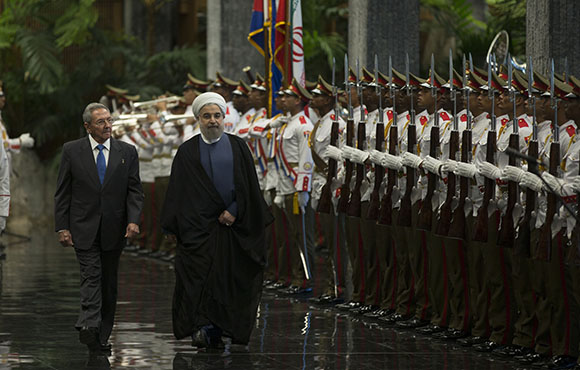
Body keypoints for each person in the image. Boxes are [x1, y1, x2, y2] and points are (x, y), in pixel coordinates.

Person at [161, 92, 272, 349]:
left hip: (232, 227)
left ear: (224, 118)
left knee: (229, 278)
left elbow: (248, 187)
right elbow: (177, 191)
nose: (213, 121)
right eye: (207, 116)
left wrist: (234, 210)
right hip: (198, 229)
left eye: (217, 116)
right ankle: (203, 326)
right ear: (198, 119)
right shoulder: (187, 151)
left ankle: (225, 326)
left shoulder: (238, 146)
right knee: (198, 278)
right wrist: (171, 225)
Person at [54, 102, 144, 352]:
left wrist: (134, 220)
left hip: (114, 229)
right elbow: (63, 192)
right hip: (83, 226)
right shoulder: (72, 151)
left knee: (108, 282)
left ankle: (101, 335)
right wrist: (62, 227)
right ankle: (89, 324)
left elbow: (135, 191)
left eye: (109, 120)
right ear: (87, 126)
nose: (107, 126)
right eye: (101, 122)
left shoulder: (127, 151)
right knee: (91, 275)